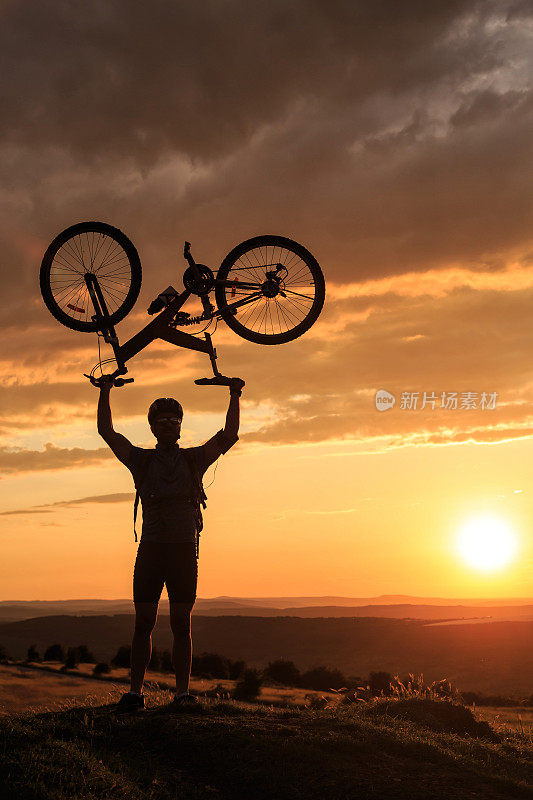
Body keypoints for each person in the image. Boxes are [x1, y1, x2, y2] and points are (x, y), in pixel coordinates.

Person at [96, 374, 244, 713]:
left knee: (181, 625)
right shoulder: (141, 461)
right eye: (160, 420)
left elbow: (229, 436)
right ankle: (135, 693)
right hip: (152, 550)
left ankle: (181, 695)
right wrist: (105, 392)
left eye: (173, 420)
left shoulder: (193, 459)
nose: (167, 423)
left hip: (181, 552)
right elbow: (108, 433)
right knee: (143, 624)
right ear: (152, 428)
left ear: (179, 426)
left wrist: (235, 394)